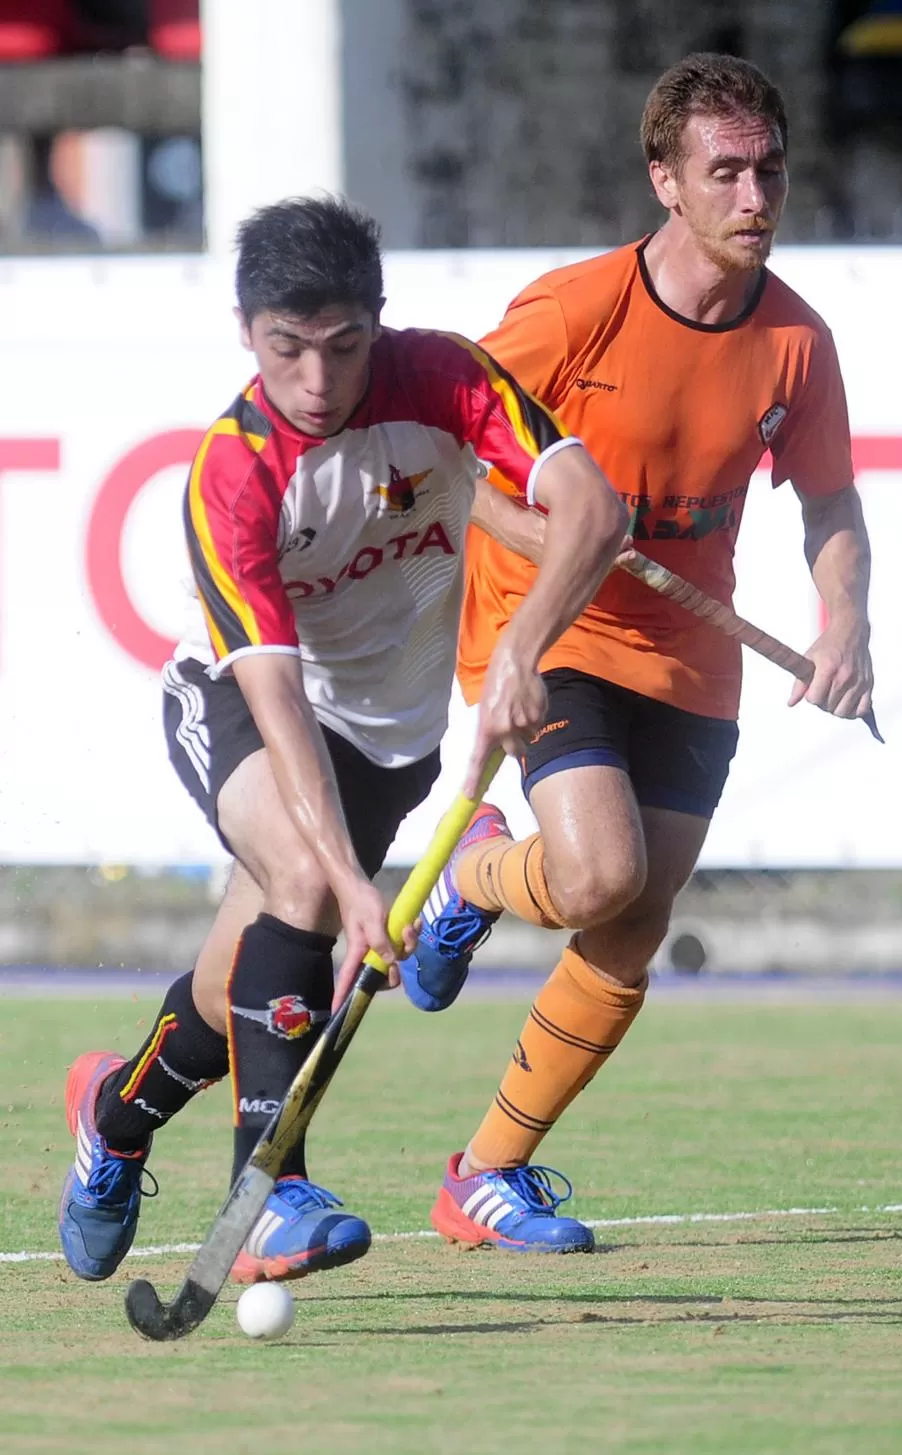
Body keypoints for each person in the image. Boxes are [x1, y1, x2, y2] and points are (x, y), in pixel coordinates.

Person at [57, 195, 629, 1284]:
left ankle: (114, 1118)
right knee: (307, 893)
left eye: (343, 346)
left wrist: (519, 651)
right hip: (242, 703)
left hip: (390, 743)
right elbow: (273, 699)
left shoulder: (447, 379)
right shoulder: (233, 472)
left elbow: (592, 510)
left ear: (379, 317)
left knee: (239, 989)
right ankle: (267, 1190)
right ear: (245, 332)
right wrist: (346, 881)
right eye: (287, 350)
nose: (317, 382)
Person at [397, 52, 875, 1252]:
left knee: (629, 923)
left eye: (769, 170)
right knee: (602, 873)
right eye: (726, 173)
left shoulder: (797, 345)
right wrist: (563, 538)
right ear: (664, 180)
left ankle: (486, 1174)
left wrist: (844, 625)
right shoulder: (574, 310)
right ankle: (467, 884)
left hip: (692, 659)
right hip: (549, 629)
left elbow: (829, 507)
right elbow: (451, 461)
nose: (755, 197)